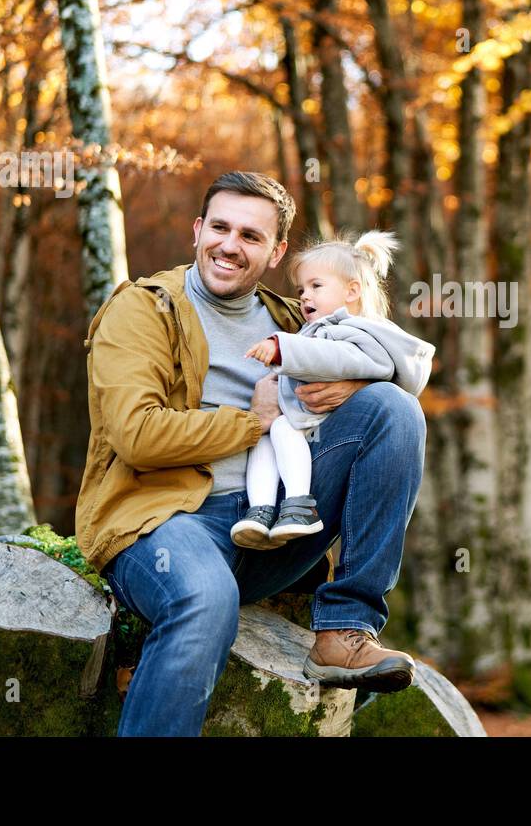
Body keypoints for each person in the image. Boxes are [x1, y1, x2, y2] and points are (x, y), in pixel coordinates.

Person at [75, 171, 427, 736]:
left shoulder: (298, 317)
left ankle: (343, 629)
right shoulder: (145, 309)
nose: (230, 246)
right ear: (197, 230)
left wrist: (354, 388)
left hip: (280, 527)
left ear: (276, 251)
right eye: (220, 227)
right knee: (204, 599)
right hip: (166, 522)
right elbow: (134, 434)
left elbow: (388, 358)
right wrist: (250, 422)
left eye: (251, 236)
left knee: (395, 409)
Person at [234, 229, 436, 559]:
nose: (304, 296)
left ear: (351, 291)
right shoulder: (315, 330)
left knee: (282, 429)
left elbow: (338, 361)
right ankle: (260, 511)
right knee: (264, 436)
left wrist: (282, 349)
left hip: (323, 431)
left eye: (316, 286)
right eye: (301, 289)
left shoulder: (355, 331)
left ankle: (298, 504)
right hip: (304, 423)